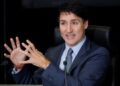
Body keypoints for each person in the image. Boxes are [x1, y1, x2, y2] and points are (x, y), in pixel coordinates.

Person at [4, 1, 110, 86]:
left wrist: (46, 64)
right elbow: (33, 84)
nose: (68, 30)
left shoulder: (99, 54)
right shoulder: (52, 53)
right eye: (63, 23)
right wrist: (19, 67)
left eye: (74, 23)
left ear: (85, 24)